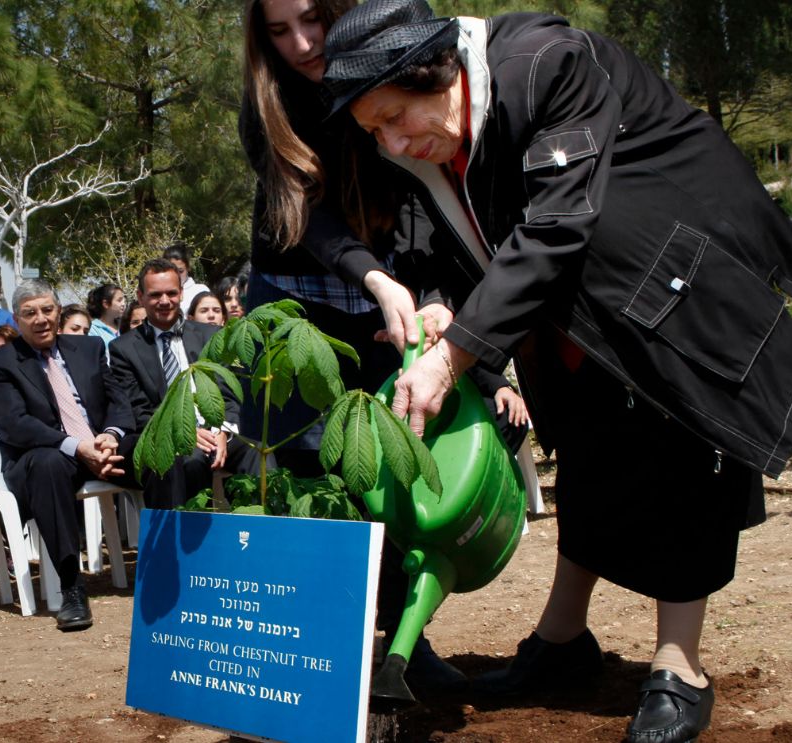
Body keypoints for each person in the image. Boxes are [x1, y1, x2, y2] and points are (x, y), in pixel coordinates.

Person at [321, 2, 792, 740]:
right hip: (582, 315)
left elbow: (557, 222)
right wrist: (445, 311)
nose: (393, 141)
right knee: (590, 459)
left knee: (683, 461)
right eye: (375, 130)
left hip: (675, 289)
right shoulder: (439, 134)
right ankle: (563, 643)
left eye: (395, 117)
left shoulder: (546, 64)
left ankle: (677, 665)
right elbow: (463, 241)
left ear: (433, 70)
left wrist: (457, 351)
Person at [240, 0, 463, 694]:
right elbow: (302, 213)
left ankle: (402, 643)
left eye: (310, 19)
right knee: (300, 475)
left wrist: (429, 291)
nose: (301, 44)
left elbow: (427, 188)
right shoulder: (265, 103)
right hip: (294, 300)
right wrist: (373, 276)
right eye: (277, 31)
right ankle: (304, 658)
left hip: (390, 297)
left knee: (387, 469)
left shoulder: (391, 64)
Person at [0, 279, 136, 631]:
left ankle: (171, 569)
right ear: (17, 320)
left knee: (155, 452)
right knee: (48, 464)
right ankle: (72, 588)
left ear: (58, 311)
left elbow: (118, 401)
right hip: (50, 454)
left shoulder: (90, 347)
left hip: (101, 445)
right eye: (30, 313)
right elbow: (14, 424)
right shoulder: (2, 363)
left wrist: (110, 437)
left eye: (47, 310)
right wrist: (77, 446)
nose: (41, 319)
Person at [108, 260, 263, 509]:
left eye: (171, 293)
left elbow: (229, 392)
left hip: (217, 431)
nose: (165, 301)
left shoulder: (211, 336)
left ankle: (258, 537)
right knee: (191, 460)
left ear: (181, 293)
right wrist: (186, 433)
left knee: (258, 452)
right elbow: (139, 410)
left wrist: (223, 430)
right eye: (155, 294)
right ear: (140, 296)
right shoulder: (123, 349)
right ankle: (193, 545)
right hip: (170, 437)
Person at [162, 243, 211, 315]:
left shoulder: (200, 291)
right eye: (171, 271)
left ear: (188, 268)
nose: (176, 275)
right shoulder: (158, 292)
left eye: (180, 271)